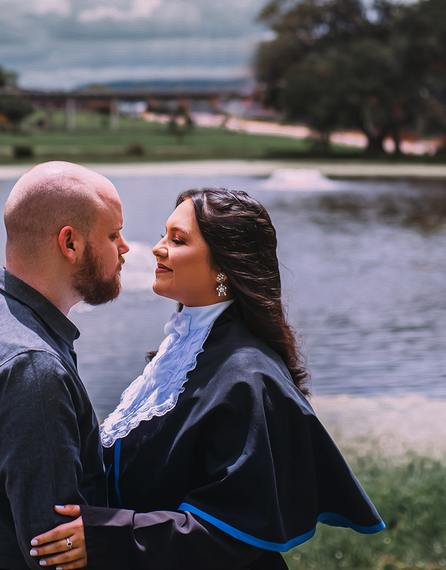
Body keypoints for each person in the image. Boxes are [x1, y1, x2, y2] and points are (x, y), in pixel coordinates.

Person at [29, 188, 384, 569]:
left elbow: (234, 530)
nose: (157, 248)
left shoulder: (248, 376)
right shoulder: (181, 350)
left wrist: (107, 536)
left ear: (223, 267)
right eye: (164, 235)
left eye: (178, 240)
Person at [0, 161, 130, 569]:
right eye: (113, 234)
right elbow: (55, 549)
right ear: (69, 243)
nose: (125, 247)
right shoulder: (32, 368)